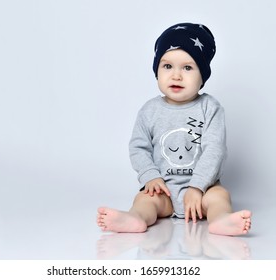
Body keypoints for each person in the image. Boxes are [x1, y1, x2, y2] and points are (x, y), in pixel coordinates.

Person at [97, 22, 252, 236]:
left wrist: (197, 187)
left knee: (219, 197)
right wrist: (150, 177)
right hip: (164, 189)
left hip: (204, 188)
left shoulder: (210, 107)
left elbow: (214, 149)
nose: (176, 75)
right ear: (157, 70)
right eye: (167, 66)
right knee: (145, 200)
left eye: (188, 67)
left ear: (203, 75)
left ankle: (220, 220)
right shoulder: (149, 110)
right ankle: (136, 218)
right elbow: (138, 147)